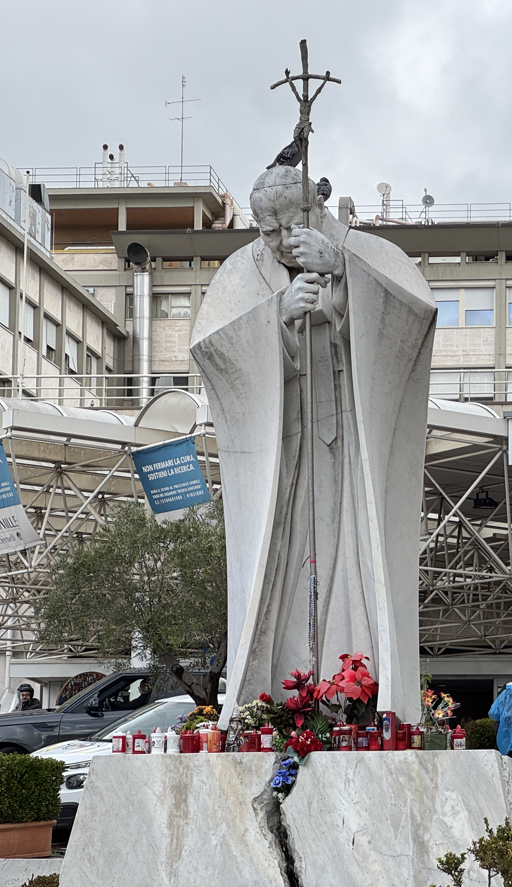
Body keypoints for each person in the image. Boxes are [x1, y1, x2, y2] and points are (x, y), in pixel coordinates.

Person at [190, 163, 435, 720]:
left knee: (354, 550)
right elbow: (212, 349)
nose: (275, 241)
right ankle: (275, 702)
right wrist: (273, 318)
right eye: (264, 230)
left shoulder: (368, 251)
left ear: (316, 213)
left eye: (287, 227)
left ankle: (361, 695)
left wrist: (346, 273)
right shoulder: (242, 270)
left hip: (352, 439)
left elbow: (414, 317)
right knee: (284, 558)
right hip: (283, 445)